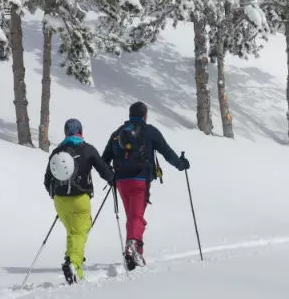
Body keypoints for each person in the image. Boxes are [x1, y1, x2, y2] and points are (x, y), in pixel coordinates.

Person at [103, 101, 188, 269]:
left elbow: (104, 159)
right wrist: (181, 164)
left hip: (121, 182)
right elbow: (167, 152)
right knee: (137, 216)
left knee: (132, 217)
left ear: (129, 115)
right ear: (145, 115)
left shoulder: (117, 133)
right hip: (140, 180)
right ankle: (133, 245)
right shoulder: (150, 132)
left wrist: (111, 177)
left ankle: (134, 253)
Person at [43, 118, 114, 284]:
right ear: (80, 132)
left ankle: (76, 271)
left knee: (72, 232)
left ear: (65, 133)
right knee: (80, 232)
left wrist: (55, 195)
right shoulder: (87, 149)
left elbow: (47, 179)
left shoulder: (57, 152)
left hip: (60, 201)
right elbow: (104, 170)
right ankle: (73, 263)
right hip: (80, 199)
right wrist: (113, 178)